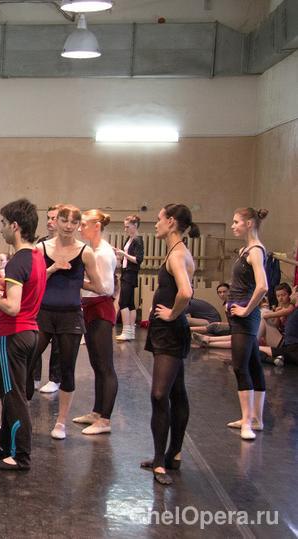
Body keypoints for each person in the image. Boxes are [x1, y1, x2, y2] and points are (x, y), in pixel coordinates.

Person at [0, 199, 46, 471]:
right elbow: (26, 292)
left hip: (13, 334)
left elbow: (13, 307)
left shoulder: (18, 261)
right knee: (8, 392)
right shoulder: (36, 257)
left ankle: (21, 456)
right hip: (29, 333)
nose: (1, 229)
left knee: (13, 395)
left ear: (15, 226)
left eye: (4, 223)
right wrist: (2, 285)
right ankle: (5, 444)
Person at [33, 204, 103, 440]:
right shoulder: (41, 248)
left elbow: (98, 286)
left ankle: (61, 422)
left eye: (74, 222)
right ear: (56, 221)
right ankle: (15, 417)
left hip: (70, 316)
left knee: (67, 369)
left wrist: (76, 282)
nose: (69, 226)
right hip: (43, 313)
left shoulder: (85, 251)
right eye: (65, 221)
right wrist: (53, 269)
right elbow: (34, 280)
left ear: (78, 225)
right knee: (28, 361)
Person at [140, 204, 198, 486]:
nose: (156, 224)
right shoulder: (178, 251)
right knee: (177, 391)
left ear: (171, 222)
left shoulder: (176, 255)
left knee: (159, 394)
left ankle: (160, 462)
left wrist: (172, 314)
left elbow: (186, 292)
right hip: (168, 331)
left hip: (170, 331)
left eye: (159, 219)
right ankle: (173, 454)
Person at [225, 208, 269, 441]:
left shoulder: (255, 251)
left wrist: (245, 309)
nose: (233, 226)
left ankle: (248, 422)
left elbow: (263, 286)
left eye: (236, 222)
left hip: (245, 318)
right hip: (239, 316)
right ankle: (255, 419)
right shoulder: (245, 250)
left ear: (249, 223)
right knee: (253, 365)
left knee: (240, 366)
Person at [74, 209, 118, 436]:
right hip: (92, 308)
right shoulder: (94, 251)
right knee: (97, 364)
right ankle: (97, 411)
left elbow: (106, 288)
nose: (80, 228)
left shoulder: (102, 253)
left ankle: (105, 419)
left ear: (96, 226)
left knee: (105, 366)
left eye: (83, 224)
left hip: (100, 310)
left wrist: (76, 280)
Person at [34, 205, 62, 393]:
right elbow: (37, 272)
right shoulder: (41, 243)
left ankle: (55, 378)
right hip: (42, 297)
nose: (50, 222)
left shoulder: (68, 245)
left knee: (58, 342)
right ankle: (34, 376)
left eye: (54, 218)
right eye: (48, 218)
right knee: (36, 340)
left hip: (60, 297)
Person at [115, 215, 144, 341]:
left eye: (128, 227)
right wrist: (120, 255)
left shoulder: (138, 240)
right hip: (126, 272)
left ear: (135, 225)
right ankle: (130, 331)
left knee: (123, 302)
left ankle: (126, 330)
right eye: (125, 227)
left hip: (131, 273)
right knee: (130, 303)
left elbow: (138, 259)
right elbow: (126, 257)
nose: (125, 229)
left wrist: (123, 254)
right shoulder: (129, 239)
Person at [260, 288, 298, 366]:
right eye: (278, 296)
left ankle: (252, 341)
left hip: (290, 346)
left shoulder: (292, 309)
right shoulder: (287, 309)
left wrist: (269, 314)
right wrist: (277, 315)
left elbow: (290, 310)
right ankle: (276, 359)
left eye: (283, 295)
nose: (280, 298)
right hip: (288, 345)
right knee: (255, 348)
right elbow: (277, 325)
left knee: (253, 348)